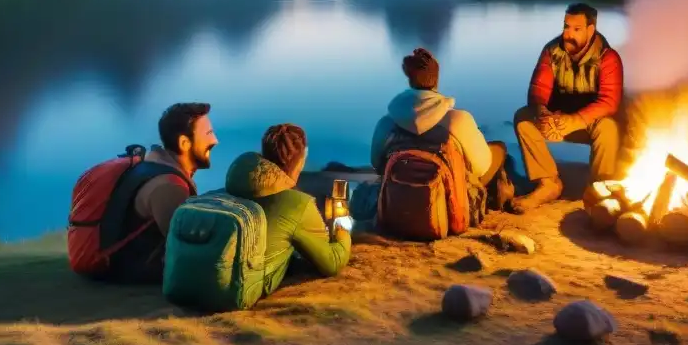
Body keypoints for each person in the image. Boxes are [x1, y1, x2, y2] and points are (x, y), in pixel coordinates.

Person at [510, 2, 624, 213]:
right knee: (523, 118)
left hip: (589, 123)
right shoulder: (551, 51)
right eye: (566, 26)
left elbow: (609, 102)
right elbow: (538, 89)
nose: (567, 34)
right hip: (556, 120)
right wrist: (542, 113)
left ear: (591, 30)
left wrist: (574, 121)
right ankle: (548, 184)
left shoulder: (608, 58)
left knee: (609, 128)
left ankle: (599, 190)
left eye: (576, 29)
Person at [225, 123, 351, 297]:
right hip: (239, 290)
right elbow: (333, 262)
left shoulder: (234, 187)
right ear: (303, 156)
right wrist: (343, 228)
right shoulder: (297, 203)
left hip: (213, 278)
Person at [371, 47, 508, 195]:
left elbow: (377, 164)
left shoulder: (387, 123)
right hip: (447, 201)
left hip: (398, 198)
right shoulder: (458, 120)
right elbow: (481, 167)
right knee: (498, 150)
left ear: (410, 81)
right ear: (436, 80)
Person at [111, 102, 217, 282]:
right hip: (131, 273)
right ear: (184, 143)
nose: (215, 140)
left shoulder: (156, 167)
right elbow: (186, 250)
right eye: (208, 134)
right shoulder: (169, 187)